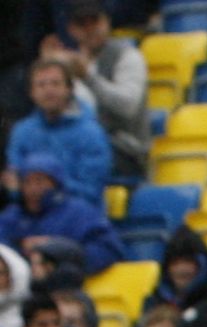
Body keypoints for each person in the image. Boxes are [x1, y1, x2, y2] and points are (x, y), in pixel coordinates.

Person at [41, 0, 148, 179]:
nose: (90, 29)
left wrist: (88, 78)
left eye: (95, 21)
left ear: (107, 22)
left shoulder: (127, 56)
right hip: (78, 143)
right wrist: (48, 72)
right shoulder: (68, 64)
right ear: (71, 29)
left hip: (124, 149)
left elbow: (128, 106)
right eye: (82, 24)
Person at [9, 54, 112, 208]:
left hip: (78, 214)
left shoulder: (91, 133)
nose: (48, 90)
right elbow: (15, 183)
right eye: (41, 85)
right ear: (32, 93)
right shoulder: (22, 132)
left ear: (69, 89)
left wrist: (48, 188)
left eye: (55, 84)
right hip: (30, 215)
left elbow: (91, 191)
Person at [1, 161, 118, 277]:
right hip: (21, 285)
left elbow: (109, 250)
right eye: (27, 182)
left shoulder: (81, 213)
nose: (33, 189)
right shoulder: (11, 216)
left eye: (39, 182)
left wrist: (60, 251)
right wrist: (20, 249)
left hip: (73, 284)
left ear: (55, 184)